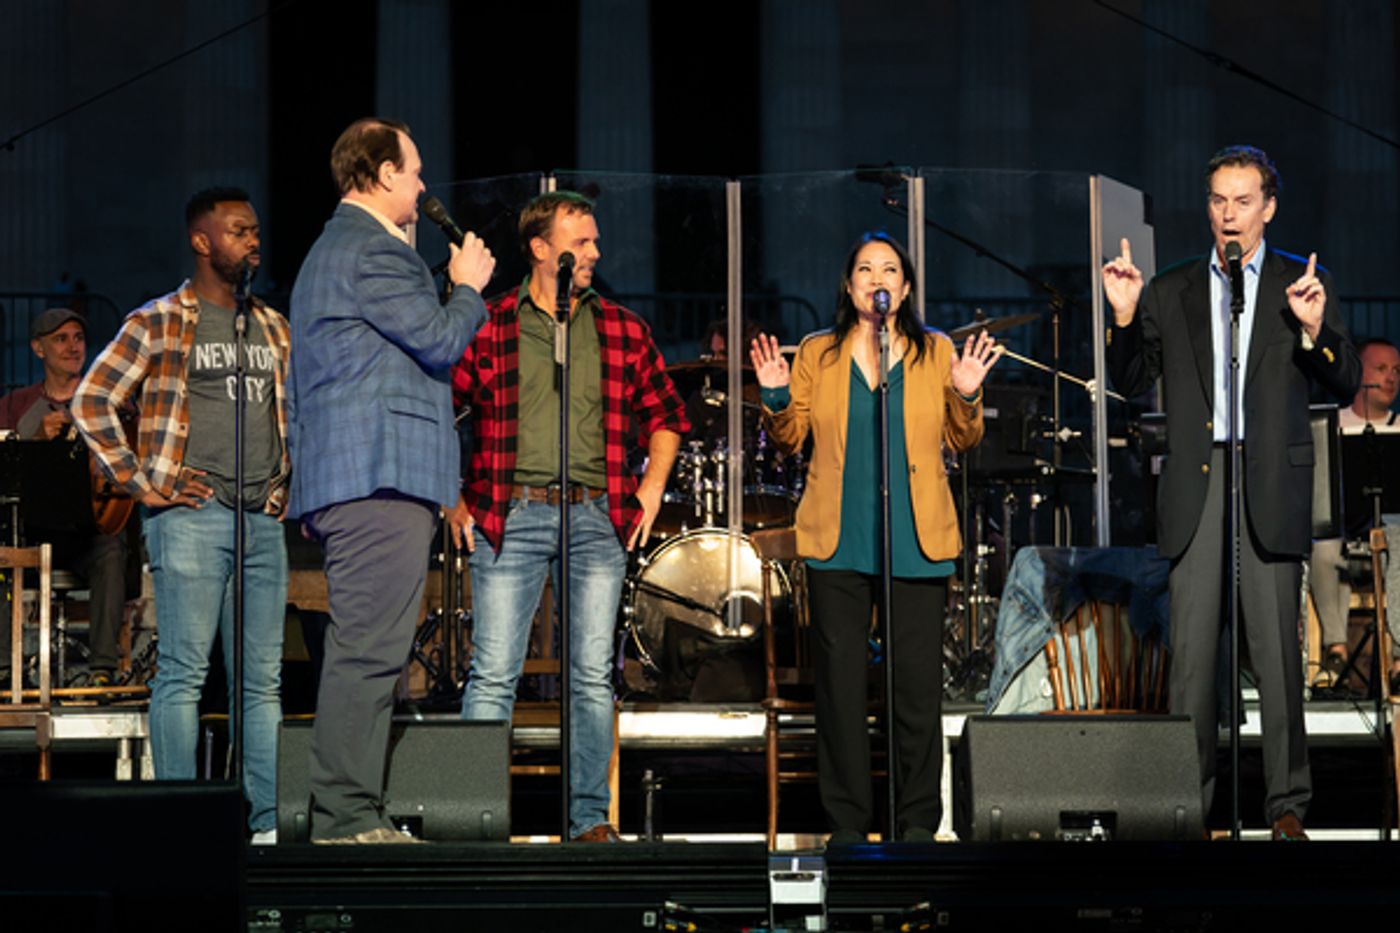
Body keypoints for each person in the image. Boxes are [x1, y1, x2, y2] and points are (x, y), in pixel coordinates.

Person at [1103, 145, 1360, 841]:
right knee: (1191, 663)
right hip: (1198, 481)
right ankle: (1189, 807)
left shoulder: (1299, 281)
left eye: (1243, 201)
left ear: (1268, 207)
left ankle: (1286, 807)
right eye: (1218, 200)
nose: (1229, 214)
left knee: (1277, 655)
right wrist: (1124, 316)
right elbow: (1130, 380)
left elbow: (1343, 381)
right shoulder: (1171, 288)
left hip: (1270, 482)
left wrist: (1312, 330)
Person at [452, 190, 689, 842]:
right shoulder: (492, 323)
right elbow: (437, 405)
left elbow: (667, 414)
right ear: (539, 247)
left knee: (590, 676)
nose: (595, 252)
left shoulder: (619, 326)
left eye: (593, 241)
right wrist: (450, 496)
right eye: (581, 241)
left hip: (596, 517)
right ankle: (472, 818)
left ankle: (589, 820)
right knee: (493, 672)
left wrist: (651, 487)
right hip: (512, 512)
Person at [749, 231, 1001, 843]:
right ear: (849, 284)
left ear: (905, 287)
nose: (876, 278)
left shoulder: (936, 351)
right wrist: (777, 394)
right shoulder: (818, 352)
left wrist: (966, 394)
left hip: (916, 538)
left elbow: (963, 440)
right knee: (839, 693)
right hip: (839, 538)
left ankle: (916, 825)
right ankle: (847, 825)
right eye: (865, 269)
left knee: (915, 693)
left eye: (889, 269)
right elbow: (789, 437)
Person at [287, 117, 494, 845]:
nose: (423, 185)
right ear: (379, 175)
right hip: (378, 478)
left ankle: (354, 810)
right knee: (370, 651)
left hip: (360, 478)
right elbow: (439, 338)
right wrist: (465, 288)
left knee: (368, 647)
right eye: (412, 170)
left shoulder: (341, 248)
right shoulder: (372, 249)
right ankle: (345, 817)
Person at [71, 187, 291, 843]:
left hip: (261, 519)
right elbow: (92, 399)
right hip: (192, 516)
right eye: (238, 230)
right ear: (202, 241)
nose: (253, 239)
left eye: (255, 230)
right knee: (184, 676)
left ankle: (268, 825)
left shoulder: (273, 326)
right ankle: (180, 822)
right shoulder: (159, 320)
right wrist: (144, 484)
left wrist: (282, 487)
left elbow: (293, 416)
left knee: (262, 684)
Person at [1, 308, 127, 686]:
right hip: (30, 530)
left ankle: (103, 669)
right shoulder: (15, 405)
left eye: (78, 338)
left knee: (112, 549)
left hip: (86, 531)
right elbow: (6, 470)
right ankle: (6, 671)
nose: (73, 347)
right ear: (38, 349)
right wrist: (37, 440)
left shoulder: (107, 402)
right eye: (61, 339)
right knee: (1, 554)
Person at [1308, 337, 1400, 690]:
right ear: (1359, 373)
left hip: (1390, 536)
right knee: (1323, 546)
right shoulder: (1331, 425)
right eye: (1381, 369)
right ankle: (1336, 649)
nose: (1391, 378)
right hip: (1345, 533)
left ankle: (1396, 662)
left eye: (1396, 371)